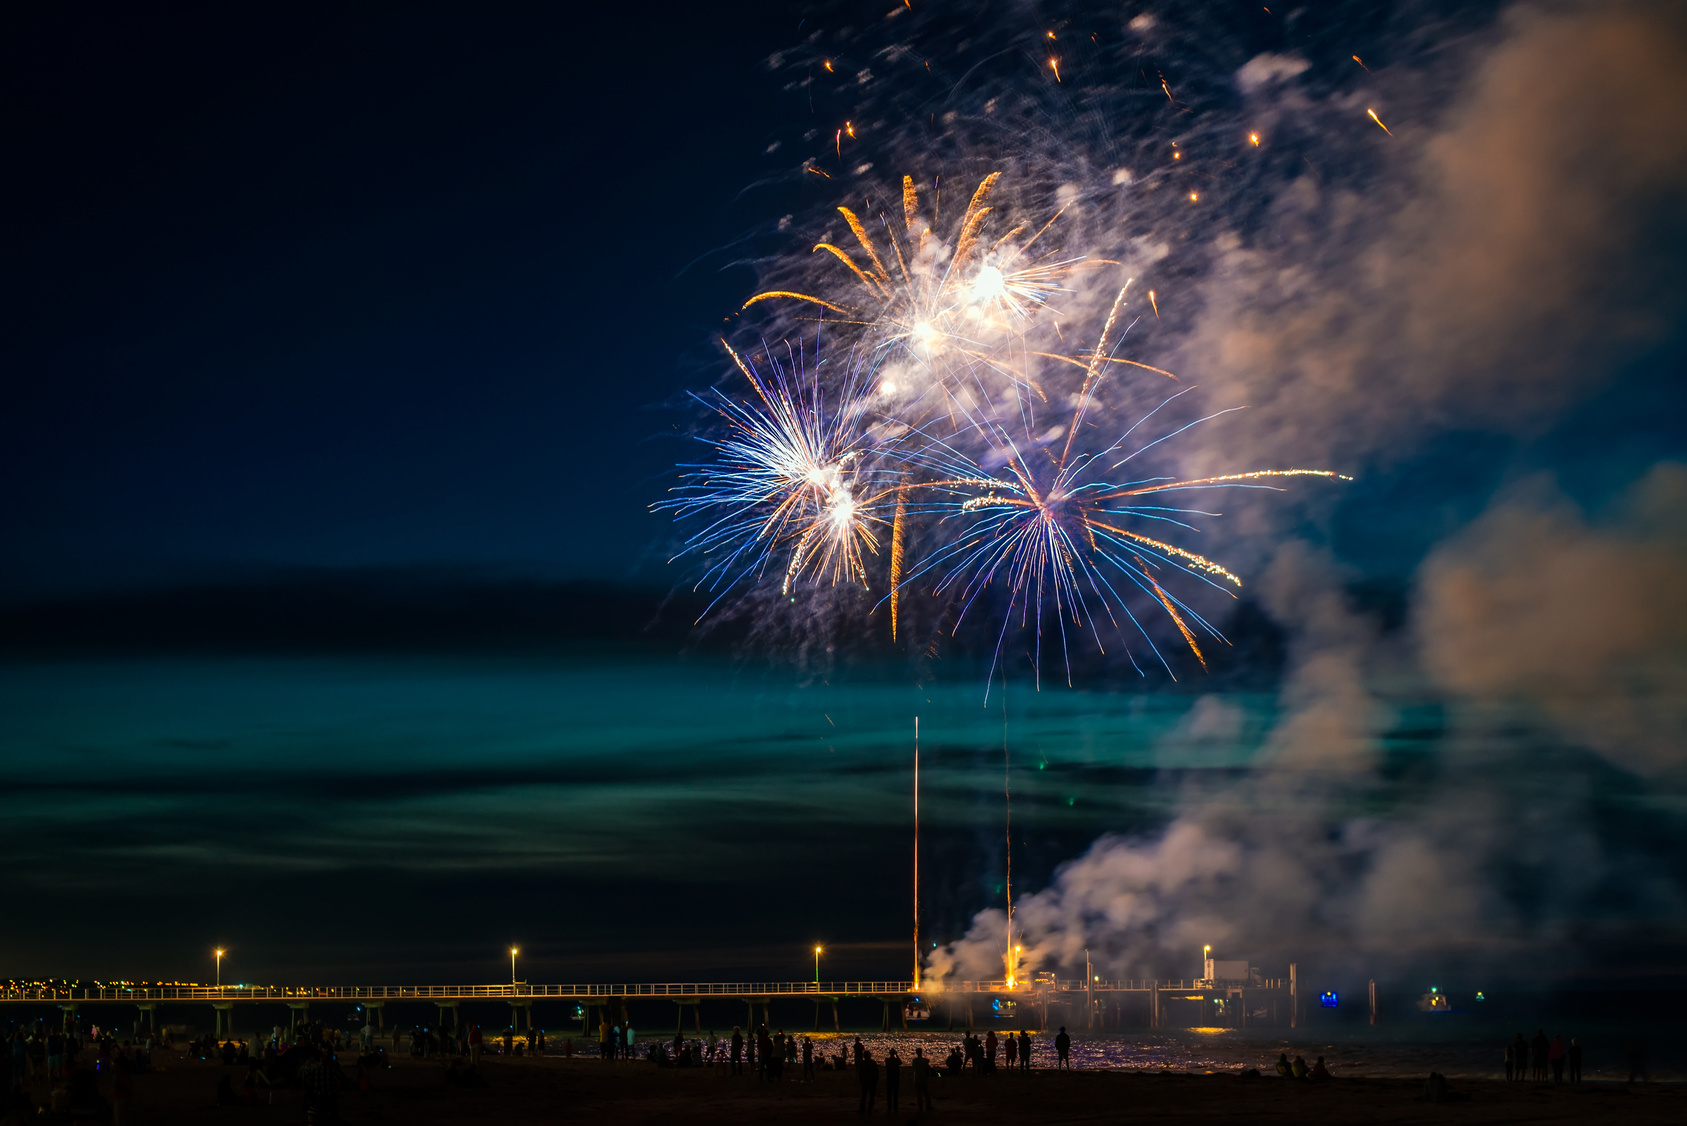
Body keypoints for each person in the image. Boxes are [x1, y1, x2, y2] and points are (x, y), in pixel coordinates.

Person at [857, 1048, 879, 1115]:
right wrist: (876, 1079)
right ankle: (869, 1109)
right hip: (872, 1081)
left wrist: (861, 1079)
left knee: (864, 1096)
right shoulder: (873, 1063)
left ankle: (862, 1109)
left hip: (865, 1081)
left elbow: (860, 1073)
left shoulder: (862, 1063)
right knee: (871, 1096)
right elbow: (876, 1072)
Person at [912, 1047, 933, 1112]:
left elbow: (913, 1068)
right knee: (926, 1093)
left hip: (917, 1078)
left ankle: (920, 1106)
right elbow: (928, 1069)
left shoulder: (914, 1061)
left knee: (919, 1094)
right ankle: (928, 1106)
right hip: (923, 1078)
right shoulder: (925, 1061)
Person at [884, 1047, 902, 1113]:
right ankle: (895, 1108)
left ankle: (889, 1108)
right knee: (895, 1094)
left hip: (889, 1078)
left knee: (889, 1094)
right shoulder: (896, 1060)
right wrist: (896, 1055)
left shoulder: (887, 1060)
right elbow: (900, 1062)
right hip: (895, 1078)